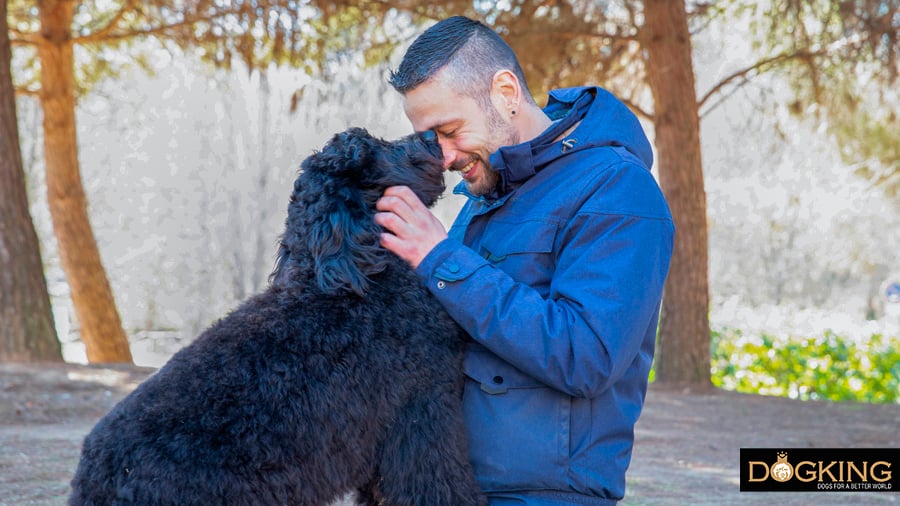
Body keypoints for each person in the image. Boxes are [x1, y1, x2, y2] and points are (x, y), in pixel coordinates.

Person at [374, 15, 675, 506]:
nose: (444, 157)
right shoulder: (486, 193)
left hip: (545, 495)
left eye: (450, 130)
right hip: (453, 486)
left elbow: (587, 356)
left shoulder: (617, 190)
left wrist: (439, 258)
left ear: (506, 92)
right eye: (431, 140)